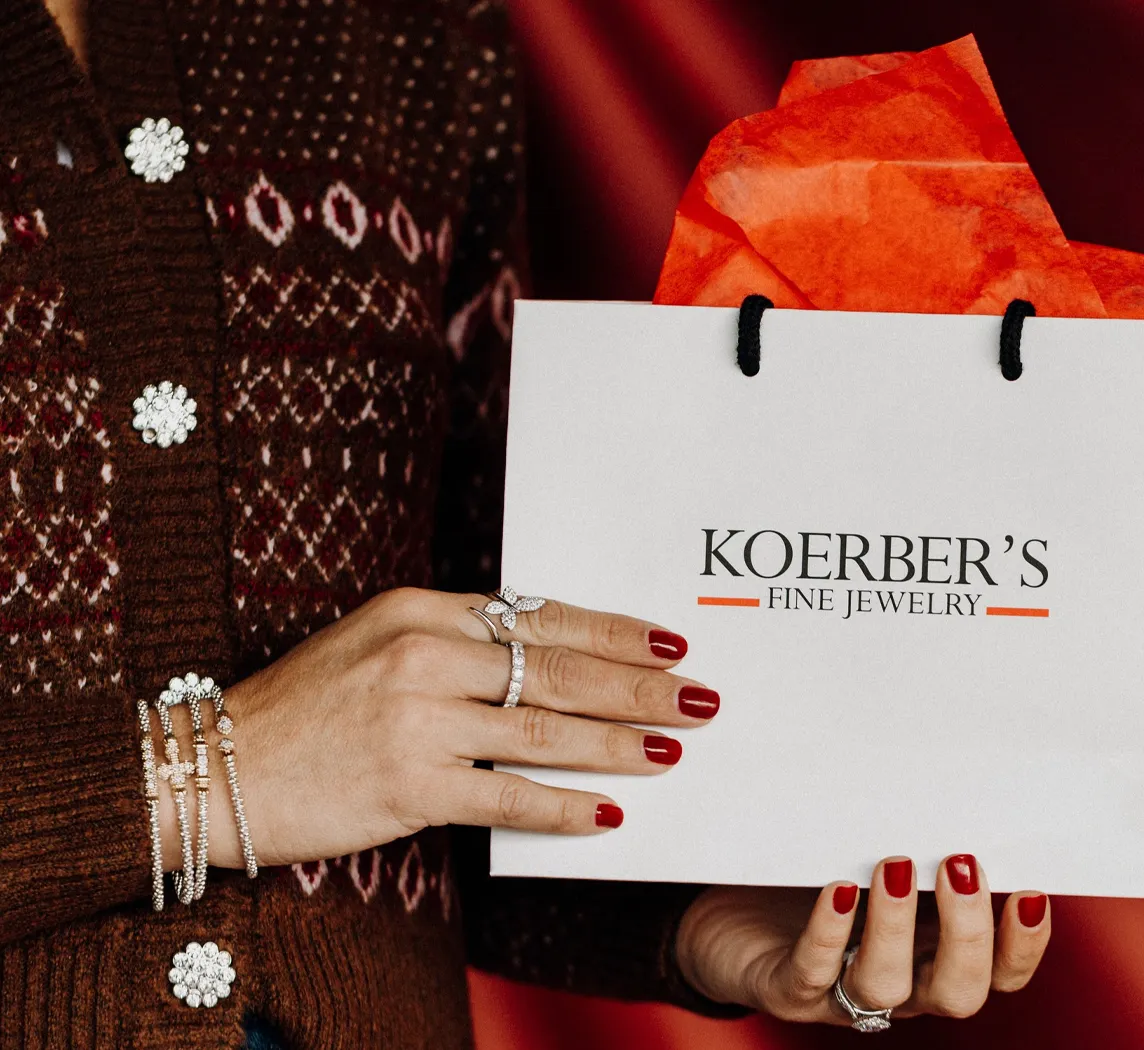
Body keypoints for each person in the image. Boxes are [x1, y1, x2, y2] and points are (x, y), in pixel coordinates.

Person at [0, 0, 1050, 1045]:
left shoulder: (416, 29)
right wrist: (188, 780)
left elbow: (455, 714)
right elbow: (295, 763)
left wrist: (689, 909)